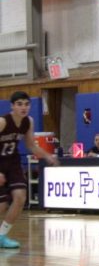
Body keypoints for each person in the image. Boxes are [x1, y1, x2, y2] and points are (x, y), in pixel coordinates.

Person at [0, 91, 60, 249]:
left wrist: (47, 156)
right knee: (2, 206)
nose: (23, 107)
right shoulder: (3, 122)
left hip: (12, 162)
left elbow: (31, 145)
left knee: (20, 197)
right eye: (19, 104)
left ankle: (2, 236)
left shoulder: (28, 122)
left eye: (26, 104)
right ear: (12, 106)